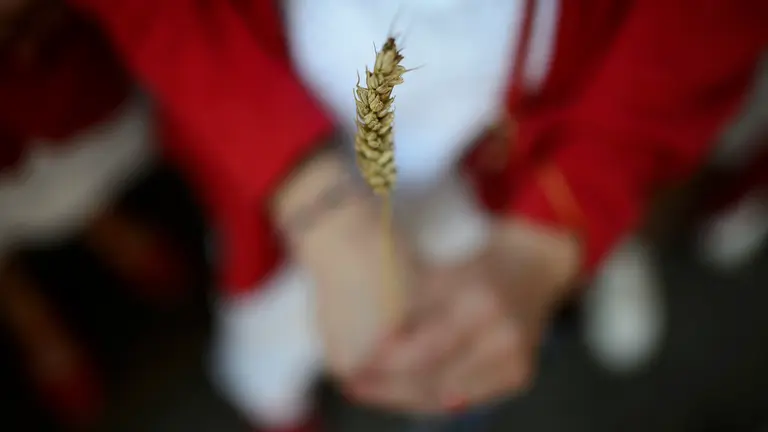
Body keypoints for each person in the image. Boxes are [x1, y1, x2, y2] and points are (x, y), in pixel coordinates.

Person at [68, 0, 767, 431]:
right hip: (272, 118)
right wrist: (313, 200)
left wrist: (555, 229)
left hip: (523, 133)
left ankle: (583, 262)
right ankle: (276, 402)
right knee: (278, 317)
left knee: (457, 313)